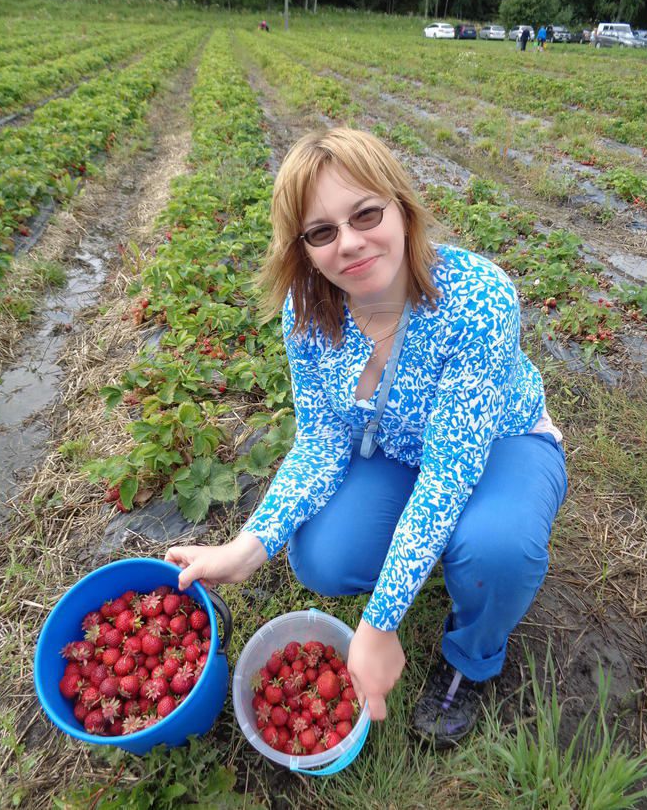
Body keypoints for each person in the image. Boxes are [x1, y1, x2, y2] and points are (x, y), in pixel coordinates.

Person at [166, 128, 568, 748]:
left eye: (366, 214)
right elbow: (324, 437)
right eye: (321, 232)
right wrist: (246, 549)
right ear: (302, 248)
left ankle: (472, 655)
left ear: (402, 207)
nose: (349, 243)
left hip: (500, 445)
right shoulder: (308, 313)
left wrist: (378, 625)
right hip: (400, 449)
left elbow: (449, 472)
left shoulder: (477, 298)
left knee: (496, 550)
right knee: (322, 554)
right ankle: (432, 558)